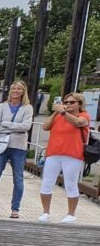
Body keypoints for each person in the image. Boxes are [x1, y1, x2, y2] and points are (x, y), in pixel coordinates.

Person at [0, 80, 35, 217]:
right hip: (0, 145)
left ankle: (15, 209)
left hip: (18, 147)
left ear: (23, 92)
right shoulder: (1, 107)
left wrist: (6, 125)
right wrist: (14, 128)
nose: (16, 91)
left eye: (19, 89)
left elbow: (26, 127)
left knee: (18, 178)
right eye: (13, 88)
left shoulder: (27, 108)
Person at [38, 93, 90, 223]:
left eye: (72, 102)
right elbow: (45, 127)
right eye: (66, 102)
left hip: (73, 154)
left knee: (71, 184)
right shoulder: (59, 116)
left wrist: (63, 113)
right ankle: (45, 212)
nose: (68, 104)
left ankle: (71, 214)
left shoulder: (83, 116)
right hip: (53, 153)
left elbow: (79, 123)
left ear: (79, 104)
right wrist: (56, 113)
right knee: (47, 182)